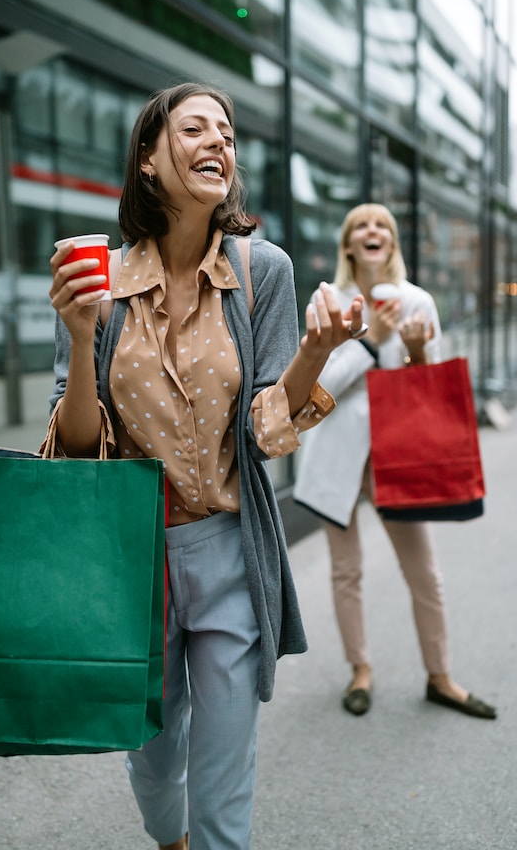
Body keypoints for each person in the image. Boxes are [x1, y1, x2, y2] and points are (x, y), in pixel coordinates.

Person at [46, 83, 367, 850]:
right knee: (156, 765)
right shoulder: (102, 283)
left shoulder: (264, 273)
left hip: (227, 550)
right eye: (194, 128)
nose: (218, 141)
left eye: (226, 132)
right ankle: (170, 839)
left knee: (224, 775)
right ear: (150, 159)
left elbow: (265, 429)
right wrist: (82, 333)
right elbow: (80, 446)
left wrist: (316, 351)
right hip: (132, 562)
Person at [293, 203, 497, 720]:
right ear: (347, 244)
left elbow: (428, 388)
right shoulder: (329, 301)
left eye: (381, 225)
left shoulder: (418, 301)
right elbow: (313, 387)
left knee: (424, 574)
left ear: (393, 243)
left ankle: (441, 676)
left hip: (396, 457)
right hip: (338, 455)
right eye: (360, 225)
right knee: (347, 571)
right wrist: (372, 341)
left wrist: (414, 354)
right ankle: (360, 670)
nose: (372, 231)